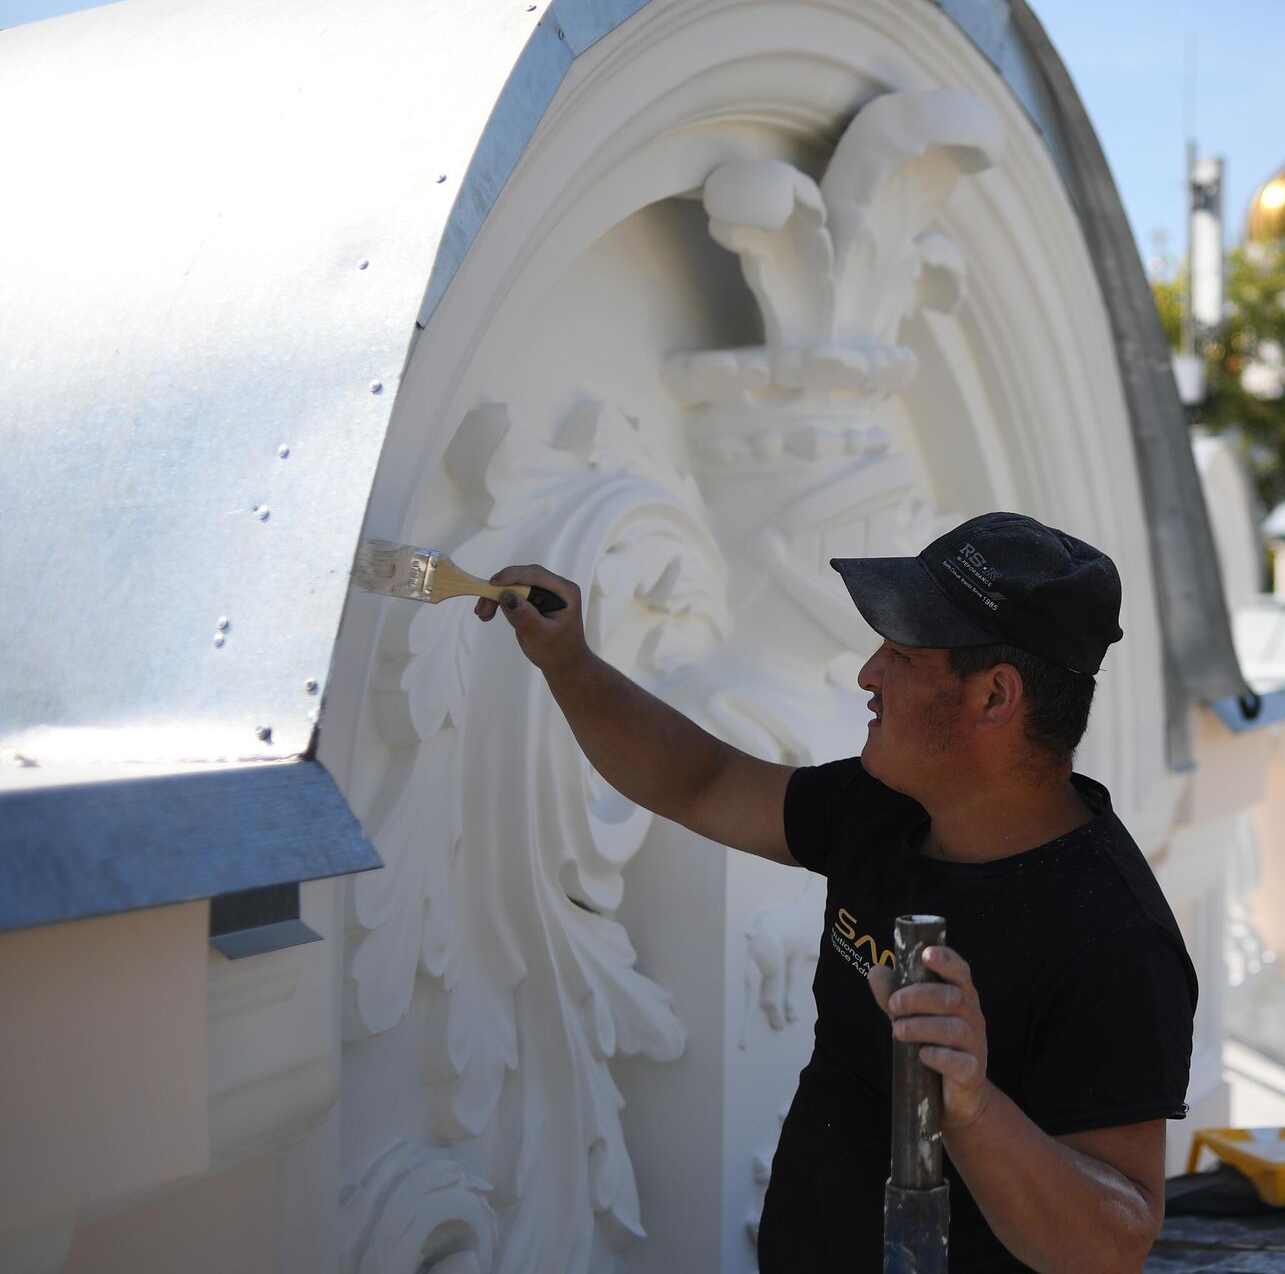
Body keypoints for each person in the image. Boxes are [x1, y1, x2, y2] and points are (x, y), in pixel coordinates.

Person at [476, 511, 1197, 1272]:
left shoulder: (1112, 936)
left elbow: (1115, 1241)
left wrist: (974, 1105)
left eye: (902, 653)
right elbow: (703, 779)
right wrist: (570, 663)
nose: (868, 674)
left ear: (994, 698)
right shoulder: (884, 806)